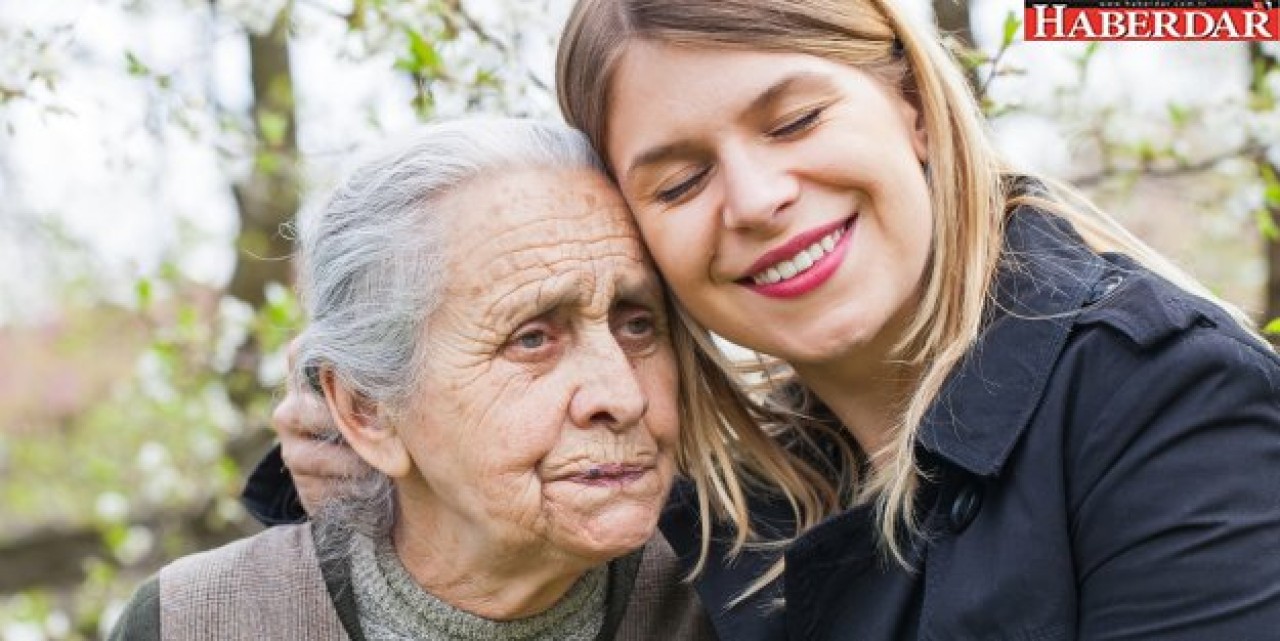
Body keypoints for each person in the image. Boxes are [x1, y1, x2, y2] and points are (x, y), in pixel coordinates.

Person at [256, 1, 1280, 639]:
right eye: (679, 177)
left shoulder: (1162, 402)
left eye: (793, 120)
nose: (752, 198)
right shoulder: (733, 487)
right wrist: (362, 408)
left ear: (910, 103)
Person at [110, 117, 718, 641]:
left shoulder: (739, 592)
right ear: (367, 409)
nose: (622, 395)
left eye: (637, 325)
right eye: (531, 338)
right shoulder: (194, 621)